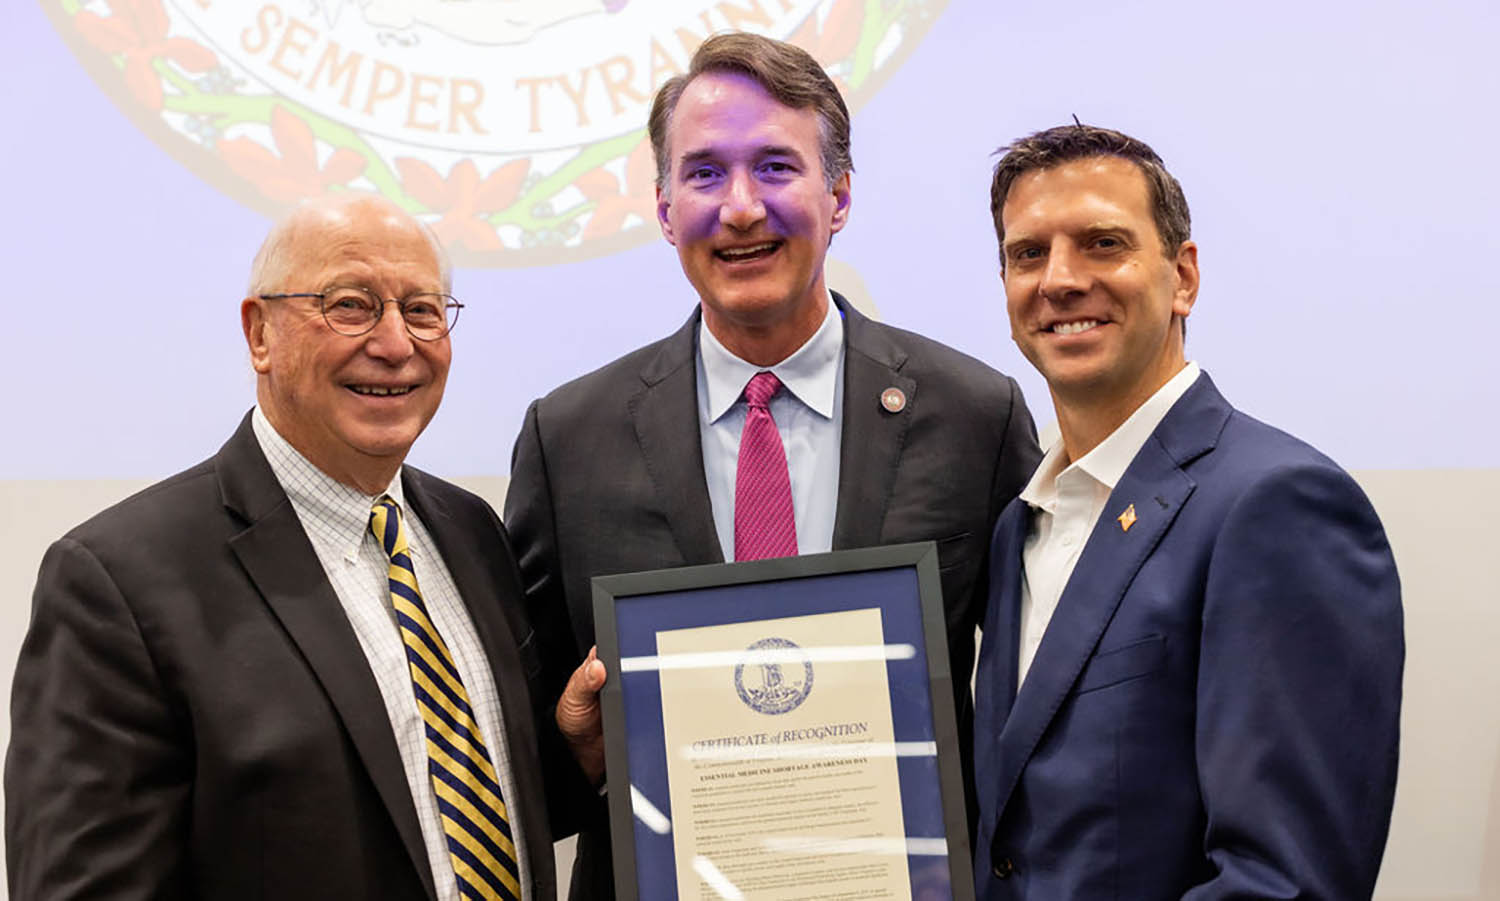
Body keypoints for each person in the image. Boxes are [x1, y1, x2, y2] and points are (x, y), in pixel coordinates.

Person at [504, 31, 1041, 900]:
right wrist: (576, 748)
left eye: (777, 168)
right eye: (705, 173)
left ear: (839, 196)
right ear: (666, 206)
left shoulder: (974, 414)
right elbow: (529, 753)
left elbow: (1034, 709)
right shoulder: (568, 438)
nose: (741, 208)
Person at [6, 195, 594, 900]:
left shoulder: (471, 532)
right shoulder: (116, 585)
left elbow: (450, 809)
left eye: (423, 310)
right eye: (350, 305)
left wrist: (572, 750)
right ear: (260, 333)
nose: (395, 343)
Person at [972, 124, 1404, 898]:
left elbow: (1287, 883)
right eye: (1027, 253)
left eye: (1103, 243)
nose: (1060, 280)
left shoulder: (1278, 504)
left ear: (1183, 277)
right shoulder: (1018, 526)